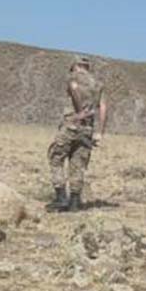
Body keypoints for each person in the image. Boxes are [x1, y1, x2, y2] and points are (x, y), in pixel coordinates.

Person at [48, 56, 107, 212]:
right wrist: (99, 132)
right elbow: (103, 108)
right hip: (87, 130)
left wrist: (80, 112)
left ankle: (60, 197)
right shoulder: (98, 84)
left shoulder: (73, 77)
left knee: (56, 157)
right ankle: (74, 201)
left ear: (75, 66)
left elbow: (74, 89)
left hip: (71, 124)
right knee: (78, 164)